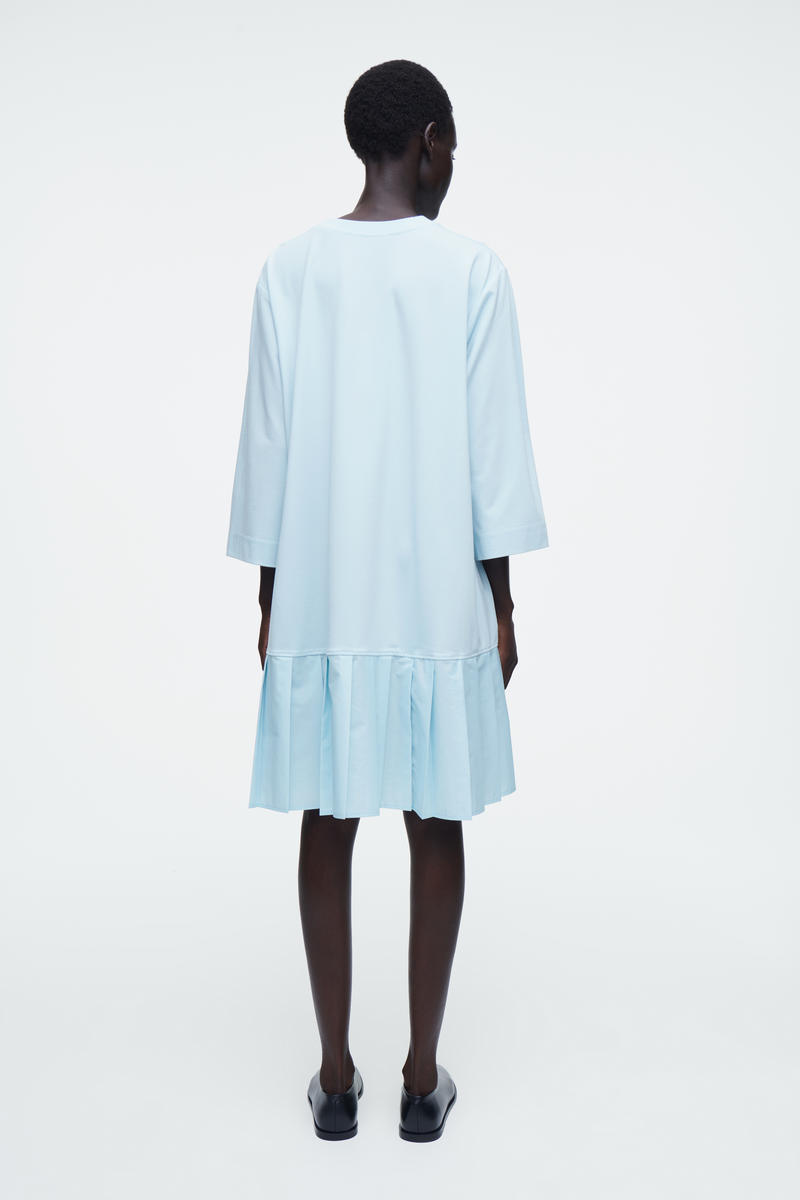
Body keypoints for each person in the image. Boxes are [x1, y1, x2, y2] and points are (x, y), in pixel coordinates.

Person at [226, 58, 549, 1142]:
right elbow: (492, 458)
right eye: (450, 144)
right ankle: (419, 1079)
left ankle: (333, 1079)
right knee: (435, 817)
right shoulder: (471, 271)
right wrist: (502, 604)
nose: (453, 162)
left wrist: (271, 600)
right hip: (435, 597)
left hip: (323, 596)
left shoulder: (290, 269)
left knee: (326, 818)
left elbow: (267, 452)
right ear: (423, 142)